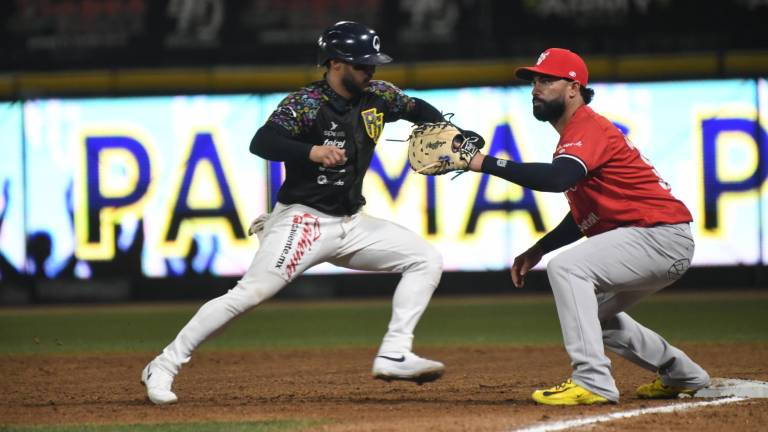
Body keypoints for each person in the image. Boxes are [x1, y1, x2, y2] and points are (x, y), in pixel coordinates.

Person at [141, 21, 481, 405]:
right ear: (335, 63)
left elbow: (417, 108)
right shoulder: (307, 103)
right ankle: (164, 364)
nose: (371, 71)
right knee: (249, 293)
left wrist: (451, 133)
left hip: (352, 222)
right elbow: (262, 141)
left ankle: (394, 352)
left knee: (425, 259)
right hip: (304, 221)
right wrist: (311, 151)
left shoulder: (378, 95)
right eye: (362, 64)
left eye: (373, 63)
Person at [466, 48, 710, 405]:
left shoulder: (587, 127)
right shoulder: (575, 136)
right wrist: (539, 248)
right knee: (592, 314)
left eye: (546, 79)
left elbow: (558, 178)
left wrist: (484, 163)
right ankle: (682, 374)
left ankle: (593, 381)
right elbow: (586, 216)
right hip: (657, 238)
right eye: (534, 80)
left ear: (573, 88)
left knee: (568, 269)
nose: (535, 88)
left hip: (658, 236)